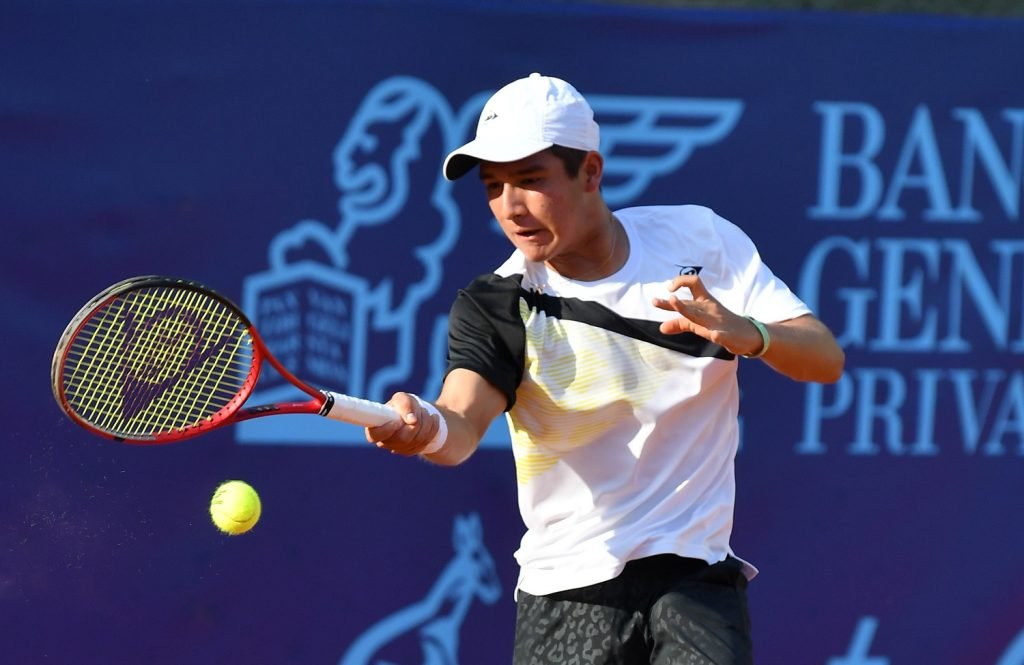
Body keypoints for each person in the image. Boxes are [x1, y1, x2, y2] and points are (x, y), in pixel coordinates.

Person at [365, 73, 845, 665]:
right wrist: (426, 427)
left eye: (531, 181)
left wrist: (750, 335)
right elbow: (460, 423)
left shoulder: (699, 239)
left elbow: (824, 357)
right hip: (568, 594)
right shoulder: (497, 302)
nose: (510, 207)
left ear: (590, 171)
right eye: (494, 187)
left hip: (695, 578)